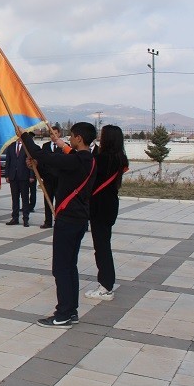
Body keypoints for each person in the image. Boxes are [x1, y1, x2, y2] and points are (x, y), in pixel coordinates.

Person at [19, 122, 97, 328]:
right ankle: (71, 311)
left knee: (61, 268)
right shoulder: (86, 159)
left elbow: (46, 156)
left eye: (72, 136)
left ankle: (62, 314)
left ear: (79, 138)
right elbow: (56, 171)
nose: (69, 139)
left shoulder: (78, 160)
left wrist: (25, 136)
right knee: (70, 266)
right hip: (76, 219)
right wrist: (36, 165)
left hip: (69, 220)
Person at [86, 124, 128, 301]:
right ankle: (106, 282)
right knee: (104, 245)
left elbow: (86, 165)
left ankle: (106, 286)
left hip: (100, 206)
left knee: (101, 247)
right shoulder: (121, 158)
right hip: (111, 205)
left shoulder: (102, 159)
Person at [5, 136, 34, 227]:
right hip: (13, 176)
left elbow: (31, 161)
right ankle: (15, 218)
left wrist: (31, 175)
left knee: (25, 198)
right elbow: (8, 161)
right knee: (15, 198)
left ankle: (25, 219)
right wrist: (7, 175)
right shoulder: (11, 146)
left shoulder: (27, 146)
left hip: (24, 176)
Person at [39, 125, 62, 229]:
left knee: (59, 201)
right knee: (47, 200)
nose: (53, 136)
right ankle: (48, 221)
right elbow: (42, 162)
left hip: (60, 180)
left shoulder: (64, 146)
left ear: (59, 134)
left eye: (55, 133)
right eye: (51, 134)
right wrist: (43, 174)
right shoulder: (45, 146)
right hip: (48, 179)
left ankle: (59, 221)